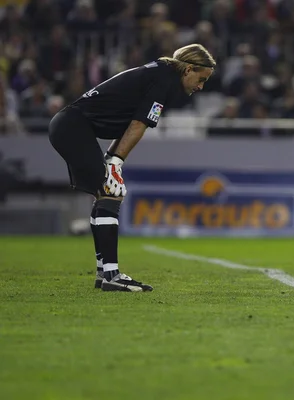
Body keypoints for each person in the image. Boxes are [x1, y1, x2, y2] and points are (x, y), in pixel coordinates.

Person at [48, 44, 216, 292]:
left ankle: (104, 272)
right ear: (188, 69)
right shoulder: (164, 80)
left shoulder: (161, 74)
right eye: (201, 79)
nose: (200, 86)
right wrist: (115, 163)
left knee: (106, 193)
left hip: (70, 126)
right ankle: (111, 275)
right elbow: (138, 124)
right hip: (72, 127)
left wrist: (113, 158)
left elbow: (130, 124)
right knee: (111, 192)